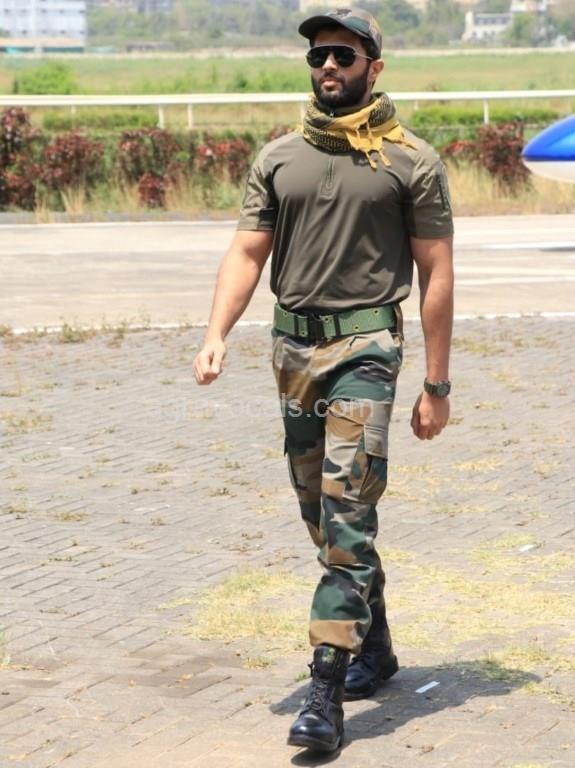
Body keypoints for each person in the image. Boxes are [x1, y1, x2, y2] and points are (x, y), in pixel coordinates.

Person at [193, 6, 454, 754]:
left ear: (375, 66)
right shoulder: (280, 157)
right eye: (318, 57)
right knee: (322, 515)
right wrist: (215, 334)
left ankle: (326, 691)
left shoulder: (411, 161)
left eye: (342, 54)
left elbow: (436, 273)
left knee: (347, 508)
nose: (328, 66)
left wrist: (435, 385)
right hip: (292, 352)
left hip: (366, 349)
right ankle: (376, 643)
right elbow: (248, 253)